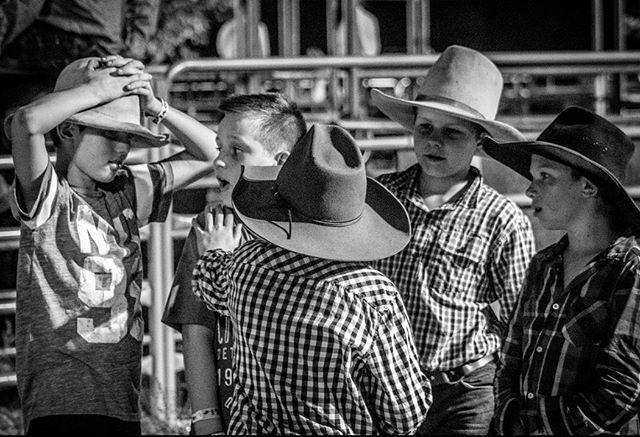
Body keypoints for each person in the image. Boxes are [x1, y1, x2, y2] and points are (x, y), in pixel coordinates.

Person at [6, 54, 218, 435]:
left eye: (129, 136)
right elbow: (26, 123)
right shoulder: (49, 197)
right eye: (110, 133)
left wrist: (158, 108)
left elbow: (214, 153)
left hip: (122, 400)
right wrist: (96, 92)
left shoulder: (128, 192)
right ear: (67, 131)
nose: (123, 148)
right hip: (60, 407)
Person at [191, 124, 431, 434]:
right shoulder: (374, 296)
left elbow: (210, 285)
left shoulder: (244, 268)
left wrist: (214, 252)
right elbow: (405, 415)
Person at [369, 44, 537, 435]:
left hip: (465, 388)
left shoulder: (501, 218)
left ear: (480, 142)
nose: (433, 141)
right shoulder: (380, 198)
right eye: (424, 128)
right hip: (386, 384)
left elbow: (518, 318)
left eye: (452, 133)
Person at [483, 106, 640, 435]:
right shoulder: (544, 264)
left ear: (588, 187)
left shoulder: (629, 269)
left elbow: (622, 388)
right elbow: (512, 358)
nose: (530, 190)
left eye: (545, 177)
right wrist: (511, 420)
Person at [161, 93, 307, 435]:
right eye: (219, 147)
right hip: (229, 419)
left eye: (236, 150)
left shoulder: (308, 232)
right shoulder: (211, 227)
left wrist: (220, 261)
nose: (219, 162)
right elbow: (196, 332)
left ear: (280, 161)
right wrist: (206, 419)